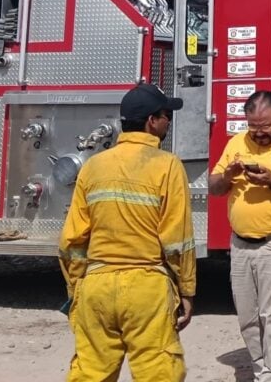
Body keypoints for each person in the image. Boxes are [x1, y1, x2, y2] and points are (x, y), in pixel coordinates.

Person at [58, 83, 194, 382]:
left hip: (96, 287)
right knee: (157, 372)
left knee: (90, 373)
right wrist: (187, 290)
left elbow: (71, 242)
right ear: (151, 121)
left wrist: (77, 289)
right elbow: (177, 240)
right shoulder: (168, 166)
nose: (168, 121)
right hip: (146, 288)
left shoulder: (93, 167)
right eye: (165, 115)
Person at [208, 91, 271, 382]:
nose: (259, 133)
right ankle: (263, 370)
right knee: (249, 320)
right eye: (253, 126)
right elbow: (215, 187)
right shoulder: (237, 142)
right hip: (240, 246)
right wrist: (228, 176)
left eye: (265, 126)